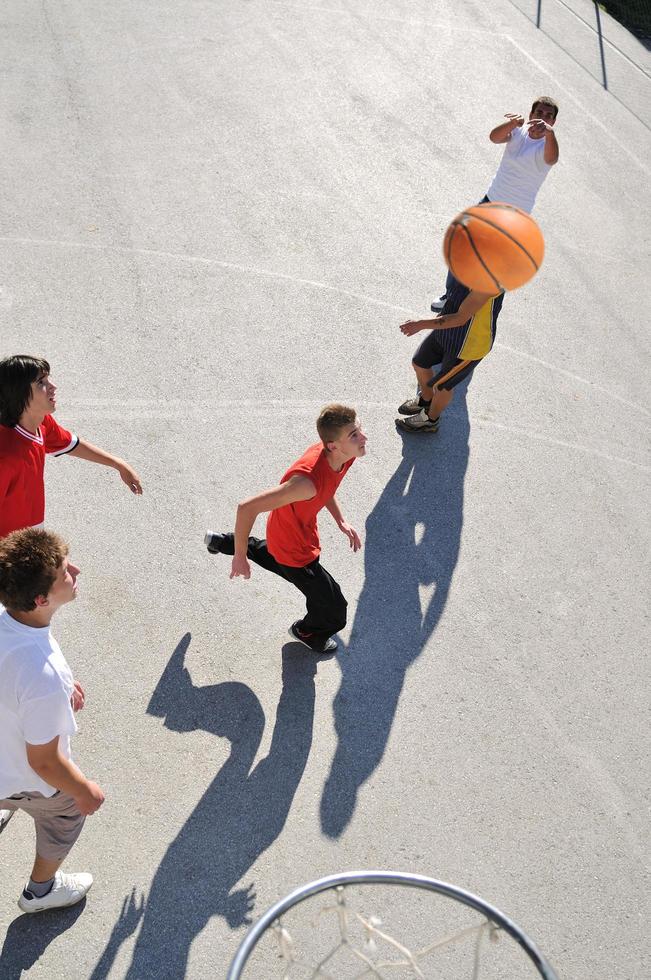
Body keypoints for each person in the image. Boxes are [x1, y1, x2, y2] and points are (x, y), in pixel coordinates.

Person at [205, 404, 366, 653]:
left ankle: (221, 541)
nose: (363, 437)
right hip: (296, 551)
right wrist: (239, 559)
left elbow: (327, 489)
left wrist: (340, 520)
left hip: (286, 531)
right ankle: (306, 632)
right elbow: (246, 508)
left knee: (266, 552)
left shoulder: (341, 456)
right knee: (334, 610)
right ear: (333, 445)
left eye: (359, 429)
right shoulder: (305, 483)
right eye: (354, 435)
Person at [0, 528, 105, 913]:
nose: (75, 570)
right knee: (65, 816)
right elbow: (43, 762)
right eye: (64, 571)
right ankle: (40, 892)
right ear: (41, 598)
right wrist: (83, 792)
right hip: (27, 778)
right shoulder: (41, 675)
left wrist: (59, 688)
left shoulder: (7, 626)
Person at [431, 96, 559, 311]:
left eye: (548, 117)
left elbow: (552, 159)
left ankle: (476, 311)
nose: (543, 119)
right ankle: (450, 296)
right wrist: (511, 123)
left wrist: (550, 135)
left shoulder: (547, 146)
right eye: (539, 113)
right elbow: (494, 137)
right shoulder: (518, 133)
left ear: (553, 123)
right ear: (531, 115)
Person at [0, 354, 142, 538]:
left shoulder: (41, 424)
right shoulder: (6, 458)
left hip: (30, 545)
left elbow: (70, 443)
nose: (53, 387)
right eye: (41, 382)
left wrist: (118, 464)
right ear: (19, 393)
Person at [396, 276, 503, 434]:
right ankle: (426, 400)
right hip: (448, 329)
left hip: (469, 345)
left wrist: (420, 324)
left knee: (442, 386)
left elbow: (460, 318)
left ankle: (430, 420)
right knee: (419, 363)